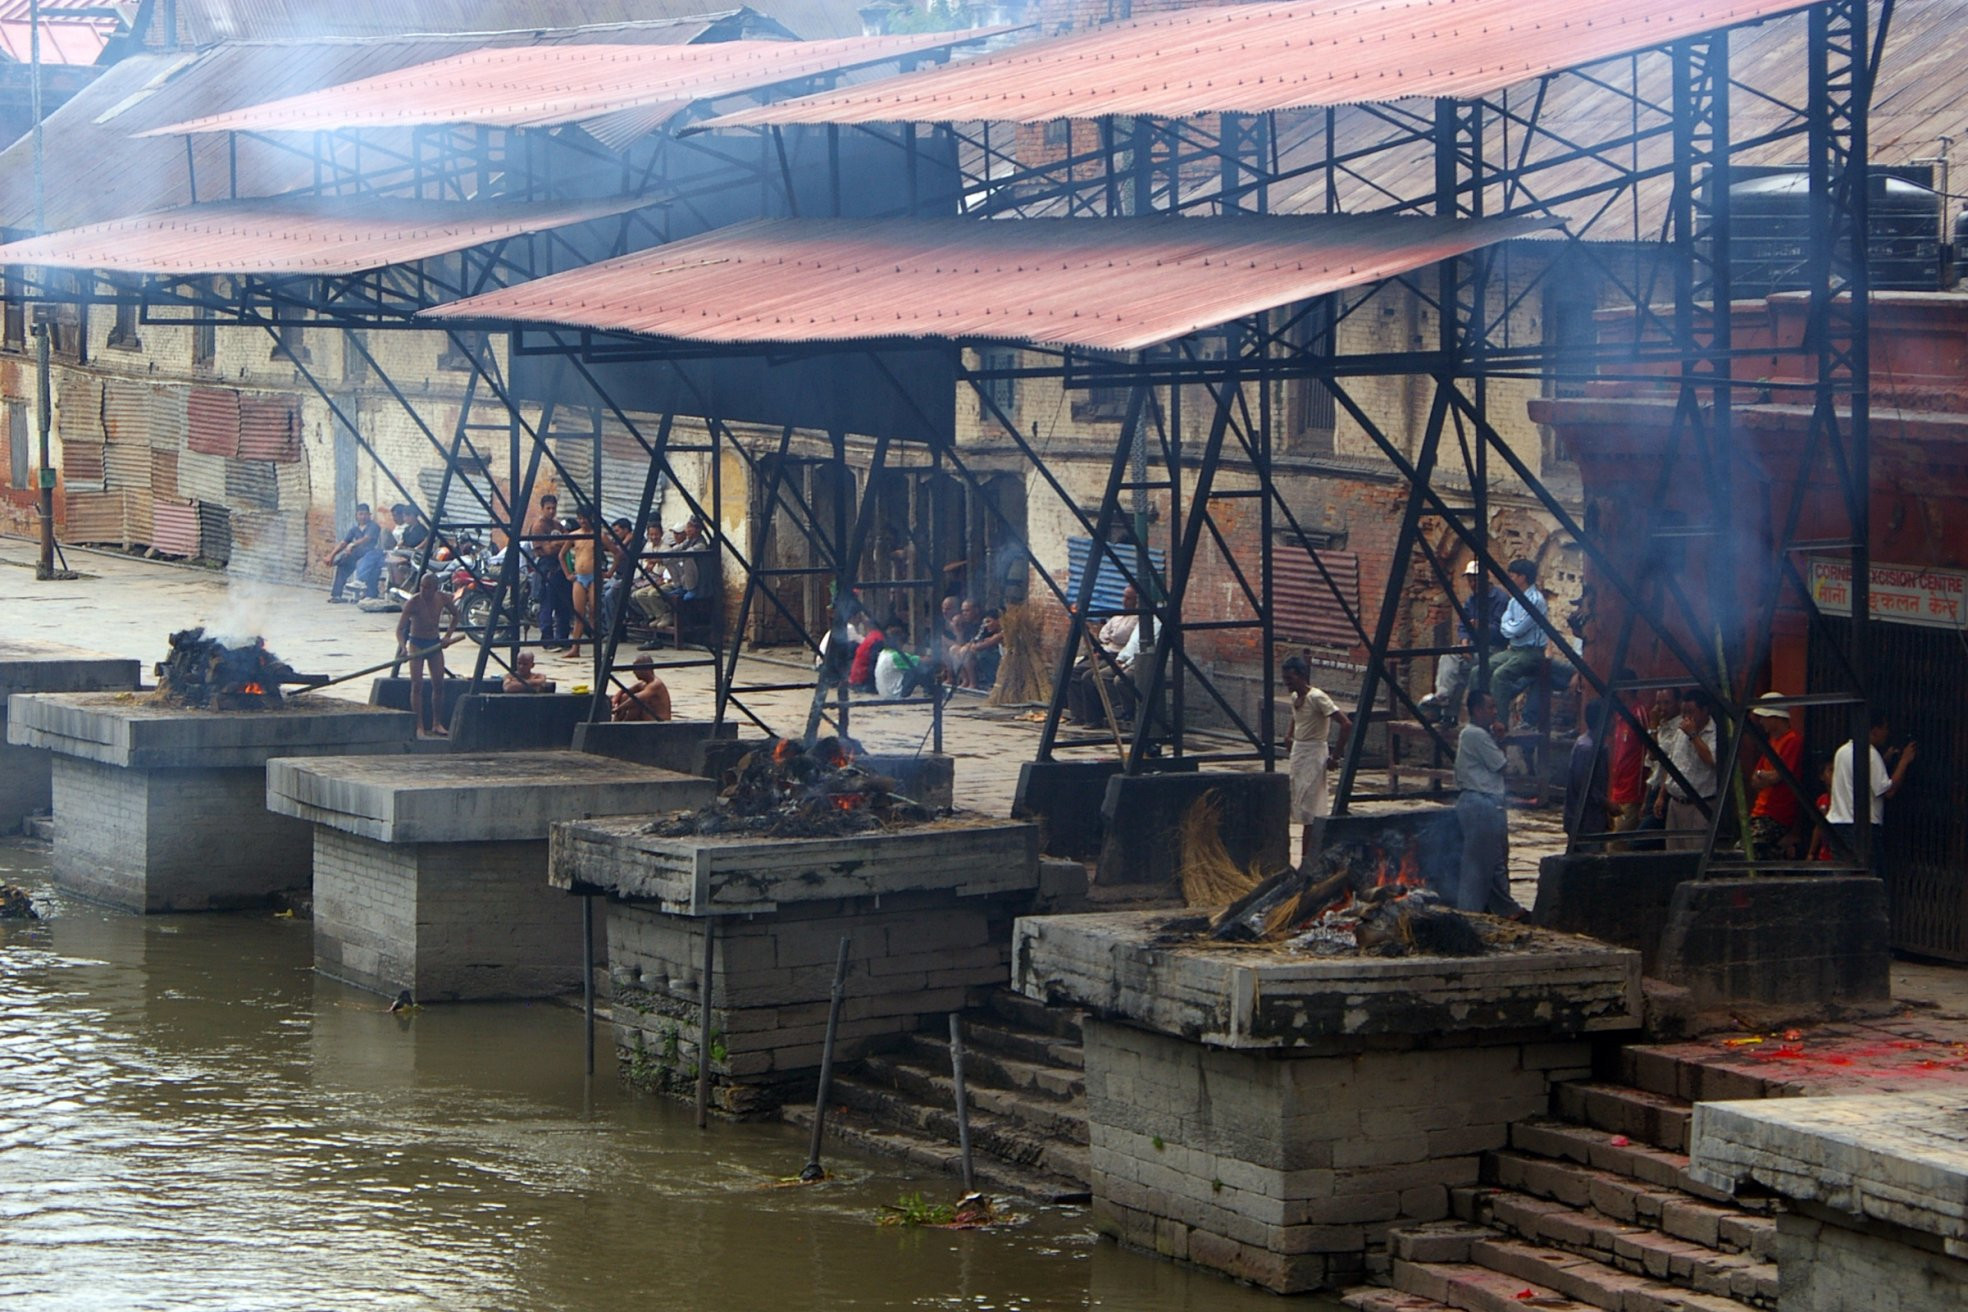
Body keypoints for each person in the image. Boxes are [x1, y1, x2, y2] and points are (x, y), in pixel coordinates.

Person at [1452, 689, 1526, 918]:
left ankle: (1504, 909)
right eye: (1490, 707)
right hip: (1480, 803)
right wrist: (1502, 741)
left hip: (1485, 803)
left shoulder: (1478, 735)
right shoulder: (1475, 734)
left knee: (1493, 861)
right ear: (1476, 710)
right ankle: (1470, 913)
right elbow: (1503, 766)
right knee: (1480, 865)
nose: (1495, 712)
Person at [1280, 653, 1352, 868]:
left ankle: (1306, 861)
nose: (1287, 683)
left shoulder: (1318, 697)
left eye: (1290, 679)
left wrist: (1335, 756)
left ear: (1302, 676)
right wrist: (1289, 734)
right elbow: (1296, 716)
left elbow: (1345, 724)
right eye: (1285, 679)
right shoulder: (1296, 698)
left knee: (1311, 809)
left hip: (1314, 753)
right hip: (1299, 753)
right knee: (1297, 803)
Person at [1419, 560, 1507, 723]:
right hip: (1474, 647)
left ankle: (1449, 707)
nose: (1472, 583)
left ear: (1485, 578)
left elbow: (1501, 631)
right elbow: (1463, 626)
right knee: (1452, 660)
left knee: (1461, 668)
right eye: (1470, 580)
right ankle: (1446, 706)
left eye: (1475, 579)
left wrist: (1482, 626)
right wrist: (1465, 643)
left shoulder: (1500, 599)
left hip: (1494, 649)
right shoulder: (1471, 600)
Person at [1826, 710, 1917, 863]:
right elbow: (1888, 791)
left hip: (1838, 823)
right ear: (1874, 730)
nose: (1887, 733)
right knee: (1868, 874)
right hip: (1861, 826)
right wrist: (1904, 761)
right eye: (1885, 728)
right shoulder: (1869, 754)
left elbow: (1862, 776)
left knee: (1844, 873)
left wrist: (1884, 761)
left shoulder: (1843, 751)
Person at [396, 573, 459, 737]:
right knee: (417, 685)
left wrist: (448, 636)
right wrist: (403, 647)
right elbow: (400, 629)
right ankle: (419, 725)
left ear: (435, 589)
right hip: (416, 644)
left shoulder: (442, 598)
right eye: (422, 587)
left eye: (427, 588)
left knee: (439, 684)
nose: (423, 591)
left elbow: (456, 615)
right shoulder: (414, 602)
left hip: (434, 643)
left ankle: (436, 723)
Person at [1488, 559, 1549, 729]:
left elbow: (1517, 629)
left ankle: (1500, 723)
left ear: (1522, 577)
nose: (1510, 579)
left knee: (1500, 675)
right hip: (1514, 649)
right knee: (1480, 670)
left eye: (1512, 575)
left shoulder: (1535, 600)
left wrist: (1509, 627)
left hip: (1531, 652)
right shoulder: (1515, 599)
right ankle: (1480, 719)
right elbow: (1505, 626)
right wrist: (1510, 627)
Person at [1068, 586, 1140, 726]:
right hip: (1104, 651)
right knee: (1073, 672)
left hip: (1116, 655)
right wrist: (1110, 636)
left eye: (1129, 598)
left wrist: (1111, 636)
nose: (1124, 601)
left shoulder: (1137, 618)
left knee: (1090, 677)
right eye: (1124, 597)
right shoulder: (1117, 616)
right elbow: (1103, 634)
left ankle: (1095, 717)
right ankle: (1078, 714)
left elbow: (1121, 636)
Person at [1746, 692, 1806, 860]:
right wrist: (1765, 776)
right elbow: (1755, 779)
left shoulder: (1792, 740)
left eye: (1764, 717)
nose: (1761, 721)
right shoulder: (1772, 742)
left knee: (1744, 850)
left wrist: (1765, 777)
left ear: (1774, 717)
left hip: (1776, 812)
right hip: (1761, 811)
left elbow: (1779, 776)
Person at [1658, 690, 1718, 852]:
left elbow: (1712, 760)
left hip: (1700, 804)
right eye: (1684, 712)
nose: (1686, 717)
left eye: (1691, 712)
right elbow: (1672, 763)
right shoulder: (1680, 731)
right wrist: (1662, 795)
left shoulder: (1714, 733)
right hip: (1675, 802)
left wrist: (1693, 735)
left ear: (1705, 711)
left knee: (1696, 852)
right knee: (1673, 852)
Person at [1605, 674, 1649, 843]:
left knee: (1619, 842)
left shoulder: (1639, 714)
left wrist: (1643, 796)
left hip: (1633, 792)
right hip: (1618, 790)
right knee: (1612, 842)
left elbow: (1649, 753)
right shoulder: (1620, 716)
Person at [526, 494, 572, 652]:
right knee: (547, 604)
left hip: (561, 566)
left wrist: (557, 543)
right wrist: (561, 543)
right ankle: (547, 639)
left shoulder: (557, 525)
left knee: (564, 604)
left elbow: (570, 540)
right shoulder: (539, 526)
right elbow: (547, 550)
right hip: (547, 567)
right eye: (548, 508)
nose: (551, 511)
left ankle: (563, 638)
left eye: (554, 508)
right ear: (542, 508)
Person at [1563, 703, 1610, 847]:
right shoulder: (1586, 748)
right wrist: (1607, 804)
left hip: (1591, 818)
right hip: (1584, 820)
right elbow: (1583, 785)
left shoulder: (1596, 745)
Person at [562, 509, 605, 661]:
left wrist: (609, 572)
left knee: (594, 611)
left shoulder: (597, 535)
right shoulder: (574, 535)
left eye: (585, 518)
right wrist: (568, 574)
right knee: (579, 614)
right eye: (580, 518)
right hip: (579, 577)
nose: (582, 521)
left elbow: (616, 552)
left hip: (594, 577)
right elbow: (562, 555)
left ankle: (596, 646)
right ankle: (575, 647)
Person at [325, 502, 381, 603]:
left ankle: (340, 560)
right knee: (343, 566)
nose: (363, 517)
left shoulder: (374, 526)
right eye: (360, 514)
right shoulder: (354, 529)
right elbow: (343, 543)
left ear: (369, 515)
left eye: (365, 514)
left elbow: (367, 538)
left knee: (348, 556)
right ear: (356, 515)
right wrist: (331, 555)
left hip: (371, 554)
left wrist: (352, 545)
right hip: (355, 555)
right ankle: (336, 595)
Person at [874, 621, 938, 698]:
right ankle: (931, 692)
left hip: (885, 693)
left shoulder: (883, 653)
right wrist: (938, 657)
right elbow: (923, 661)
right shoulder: (895, 656)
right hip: (896, 694)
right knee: (921, 668)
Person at [611, 656, 672, 722]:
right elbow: (625, 690)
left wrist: (618, 709)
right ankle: (617, 723)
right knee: (625, 696)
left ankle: (622, 725)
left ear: (645, 669)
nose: (634, 672)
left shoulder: (656, 684)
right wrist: (614, 701)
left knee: (635, 704)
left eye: (636, 669)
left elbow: (637, 698)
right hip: (646, 721)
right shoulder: (643, 684)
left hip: (658, 723)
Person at [848, 617, 887, 692]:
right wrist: (873, 687)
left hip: (856, 678)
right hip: (861, 681)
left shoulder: (871, 636)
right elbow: (873, 663)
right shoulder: (878, 639)